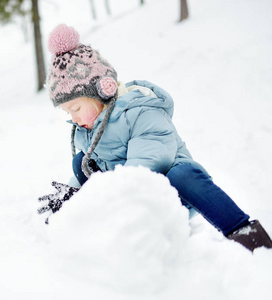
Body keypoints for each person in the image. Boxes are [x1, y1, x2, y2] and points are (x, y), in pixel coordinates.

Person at [37, 24, 272, 252]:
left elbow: (149, 161)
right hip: (126, 198)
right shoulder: (86, 131)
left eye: (76, 109)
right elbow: (93, 175)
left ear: (101, 92)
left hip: (170, 191)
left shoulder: (141, 111)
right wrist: (72, 201)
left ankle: (248, 237)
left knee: (183, 174)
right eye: (68, 113)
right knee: (80, 163)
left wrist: (108, 194)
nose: (73, 119)